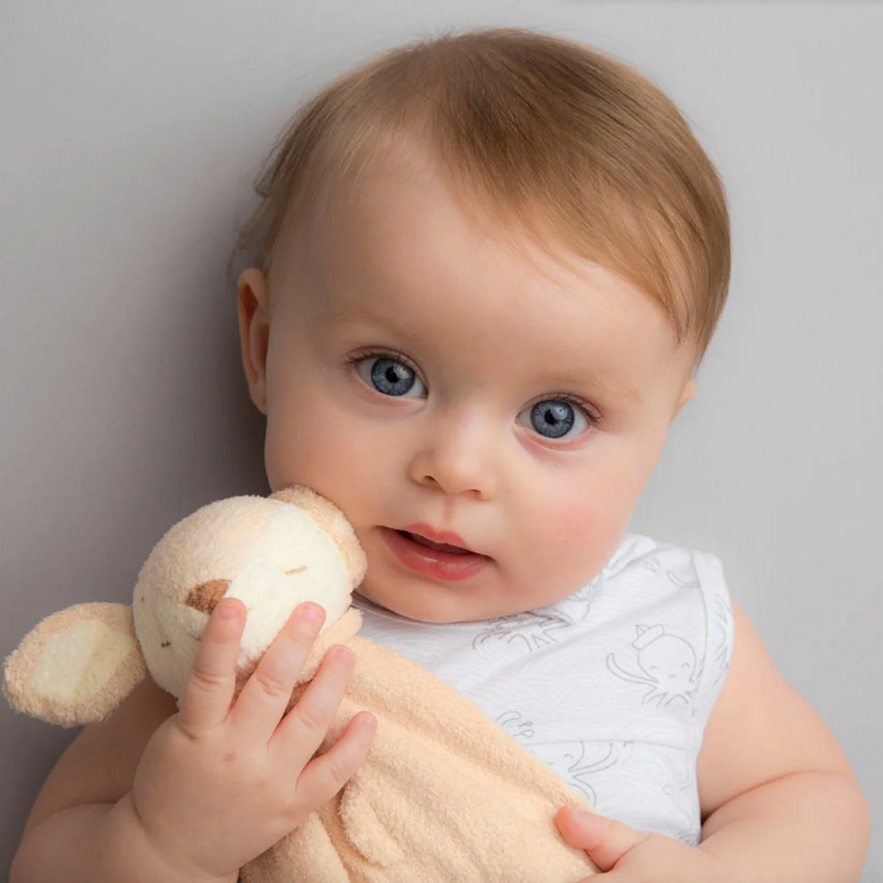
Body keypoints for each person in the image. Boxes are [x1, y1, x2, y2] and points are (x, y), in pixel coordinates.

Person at [10, 27, 870, 883]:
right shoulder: (238, 629)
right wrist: (166, 838)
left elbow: (808, 795)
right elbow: (47, 856)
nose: (454, 468)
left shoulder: (667, 620)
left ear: (659, 429)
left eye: (556, 416)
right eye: (391, 374)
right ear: (262, 344)